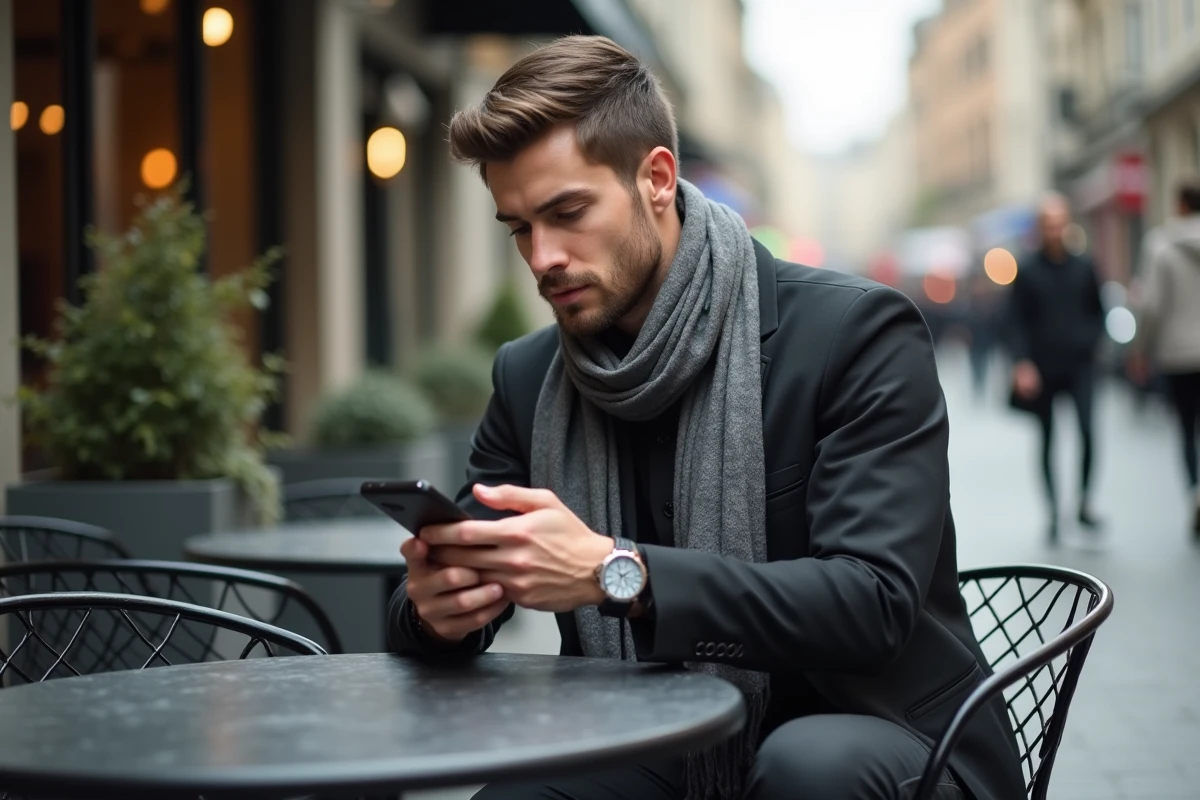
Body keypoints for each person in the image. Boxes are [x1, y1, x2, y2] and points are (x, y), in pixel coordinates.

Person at [387, 35, 1024, 800]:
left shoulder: (854, 334)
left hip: (885, 738)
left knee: (803, 769)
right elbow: (434, 610)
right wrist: (439, 613)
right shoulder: (529, 378)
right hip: (657, 740)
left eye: (567, 212)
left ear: (657, 178)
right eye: (520, 227)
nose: (543, 256)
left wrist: (615, 572)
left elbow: (871, 605)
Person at [1007, 195, 1106, 540]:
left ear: (1066, 224)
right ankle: (1052, 512)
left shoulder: (1085, 266)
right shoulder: (1028, 269)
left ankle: (1083, 503)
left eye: (1059, 222)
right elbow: (1015, 321)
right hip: (1042, 368)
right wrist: (1022, 364)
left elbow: (1099, 311)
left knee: (1088, 433)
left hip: (1080, 365)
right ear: (1040, 228)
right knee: (1047, 439)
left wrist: (1091, 343)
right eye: (1048, 223)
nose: (1054, 229)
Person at [1131, 181, 1200, 535]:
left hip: (1179, 354)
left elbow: (1153, 306)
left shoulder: (1161, 245)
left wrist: (1140, 348)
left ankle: (1195, 492)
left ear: (1180, 205)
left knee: (1187, 429)